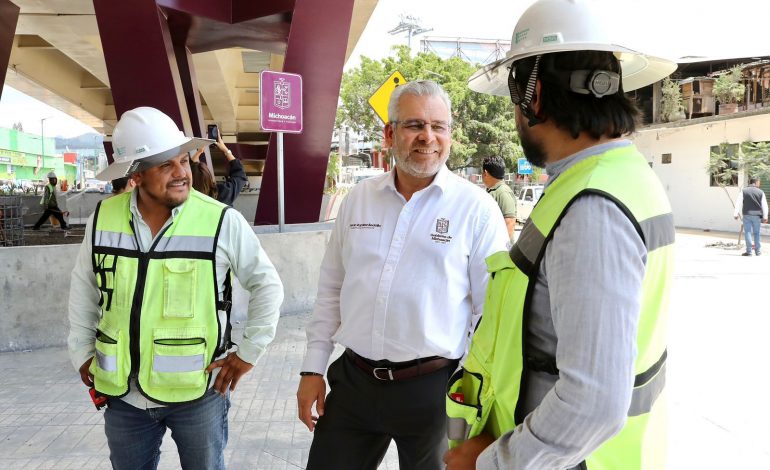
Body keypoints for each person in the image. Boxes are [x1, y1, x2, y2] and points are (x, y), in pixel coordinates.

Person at [444, 1, 677, 469]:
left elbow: (592, 403)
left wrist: (490, 463)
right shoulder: (618, 176)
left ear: (531, 96)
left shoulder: (593, 207)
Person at [296, 80, 509, 470]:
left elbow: (491, 313)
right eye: (415, 125)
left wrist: (470, 392)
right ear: (390, 133)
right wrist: (313, 368)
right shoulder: (359, 200)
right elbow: (331, 289)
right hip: (354, 384)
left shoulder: (475, 209)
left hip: (434, 390)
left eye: (438, 126)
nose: (428, 137)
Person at [67, 106, 284, 470]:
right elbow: (84, 290)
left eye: (182, 160)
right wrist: (80, 352)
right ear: (135, 174)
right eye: (165, 165)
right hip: (123, 397)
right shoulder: (103, 218)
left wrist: (249, 352)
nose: (182, 172)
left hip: (198, 395)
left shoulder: (220, 220)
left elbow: (267, 285)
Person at [190, 132, 248, 206]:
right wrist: (225, 150)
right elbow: (240, 176)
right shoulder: (222, 193)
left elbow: (240, 175)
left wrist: (199, 152)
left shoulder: (185, 197)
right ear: (209, 177)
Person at [481, 156, 516, 239]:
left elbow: (510, 223)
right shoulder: (492, 191)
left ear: (485, 173)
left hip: (499, 249)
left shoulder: (503, 192)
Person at [733, 176, 768, 256]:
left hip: (747, 215)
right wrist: (765, 217)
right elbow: (764, 205)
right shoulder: (761, 192)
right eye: (759, 182)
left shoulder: (743, 191)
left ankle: (749, 252)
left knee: (748, 232)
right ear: (756, 182)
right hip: (757, 216)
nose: (759, 184)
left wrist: (735, 214)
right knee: (757, 233)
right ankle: (758, 251)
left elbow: (738, 203)